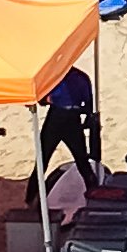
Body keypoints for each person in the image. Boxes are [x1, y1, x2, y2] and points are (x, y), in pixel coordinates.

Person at [26, 66, 96, 204]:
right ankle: (95, 196)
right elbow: (88, 106)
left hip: (58, 118)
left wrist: (48, 99)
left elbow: (41, 100)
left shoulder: (54, 76)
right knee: (82, 162)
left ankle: (29, 198)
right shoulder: (81, 77)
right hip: (69, 119)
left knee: (42, 161)